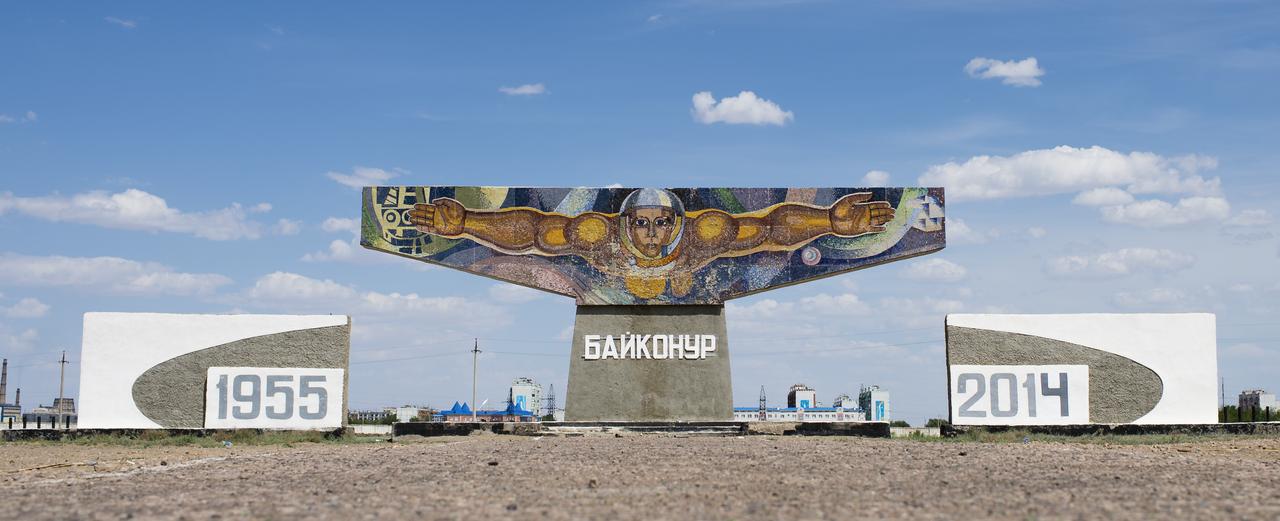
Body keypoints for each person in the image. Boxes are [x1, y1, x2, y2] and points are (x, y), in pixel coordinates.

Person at [409, 188, 893, 299]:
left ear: (677, 222)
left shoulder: (705, 233)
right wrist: (467, 221)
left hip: (687, 283)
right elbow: (535, 231)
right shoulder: (596, 235)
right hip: (610, 285)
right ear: (626, 223)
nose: (651, 235)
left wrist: (830, 221)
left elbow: (768, 228)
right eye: (641, 224)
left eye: (661, 224)